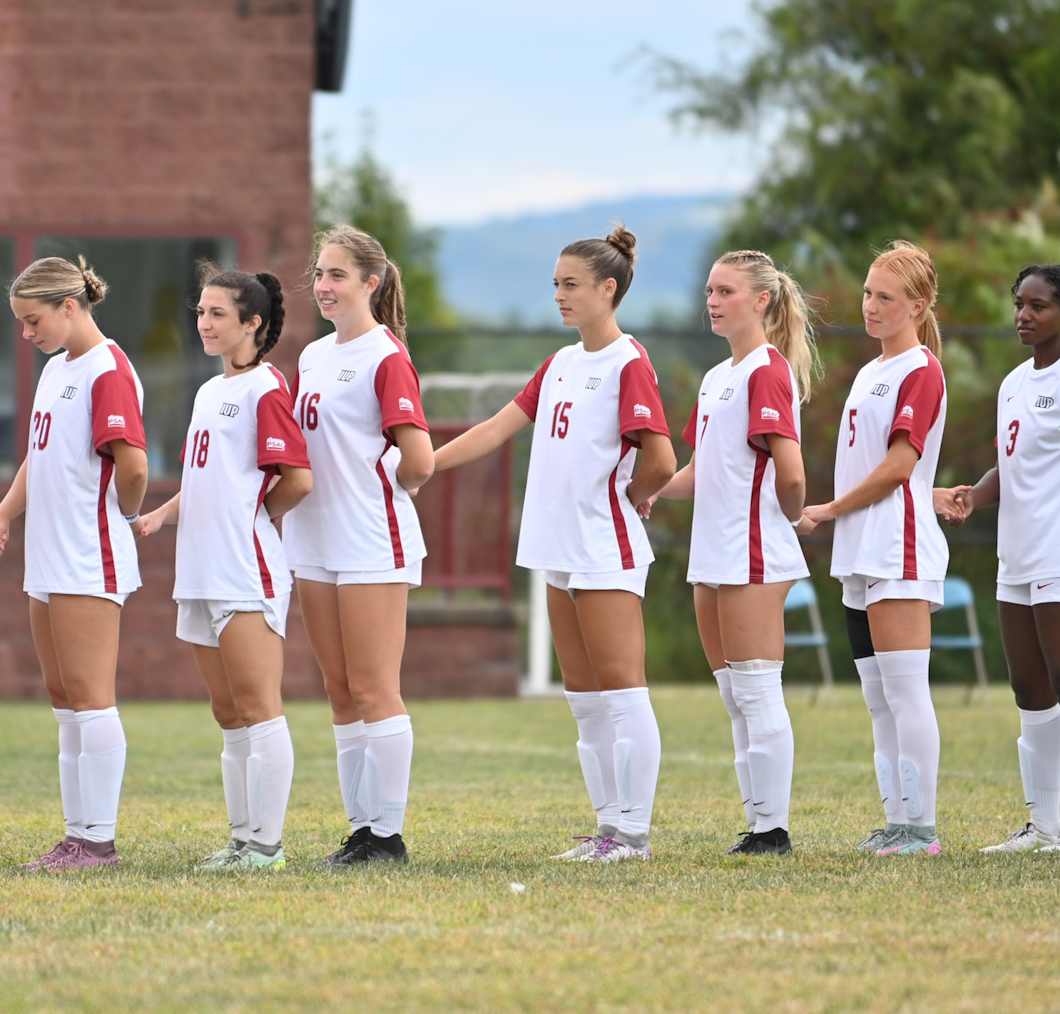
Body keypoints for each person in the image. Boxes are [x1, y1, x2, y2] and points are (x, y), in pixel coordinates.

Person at [431, 226, 676, 863]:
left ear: (608, 289)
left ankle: (634, 835)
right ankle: (606, 829)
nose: (560, 296)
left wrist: (632, 496)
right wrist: (425, 464)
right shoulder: (561, 364)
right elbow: (496, 427)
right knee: (584, 696)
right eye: (555, 285)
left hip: (604, 546)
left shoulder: (629, 362)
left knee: (622, 690)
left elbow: (661, 458)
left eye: (571, 285)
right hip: (558, 549)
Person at [940, 264, 1060, 855]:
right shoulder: (1014, 382)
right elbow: (1013, 463)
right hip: (1017, 555)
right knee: (1030, 690)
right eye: (1019, 303)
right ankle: (1043, 828)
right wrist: (976, 493)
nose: (1024, 315)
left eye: (1039, 305)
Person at [0, 256, 147, 871]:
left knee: (92, 696)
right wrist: (2, 515)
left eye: (33, 320)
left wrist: (116, 515)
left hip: (87, 555)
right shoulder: (57, 370)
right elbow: (38, 458)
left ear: (69, 307)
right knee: (63, 696)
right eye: (20, 323)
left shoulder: (108, 370)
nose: (28, 334)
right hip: (48, 557)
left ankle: (98, 842)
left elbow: (133, 467)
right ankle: (77, 836)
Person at [136, 265, 311, 870]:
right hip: (201, 569)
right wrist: (162, 515)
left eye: (217, 314)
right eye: (201, 312)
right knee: (227, 712)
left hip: (245, 568)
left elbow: (297, 480)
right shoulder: (210, 391)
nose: (204, 323)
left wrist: (251, 519)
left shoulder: (268, 388)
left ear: (252, 323)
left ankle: (267, 845)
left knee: (260, 705)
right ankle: (241, 839)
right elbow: (208, 479)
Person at [651, 250, 818, 856]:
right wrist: (633, 485)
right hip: (713, 552)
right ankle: (756, 822)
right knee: (732, 694)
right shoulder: (717, 377)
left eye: (726, 292)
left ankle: (772, 830)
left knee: (755, 688)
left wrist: (791, 515)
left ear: (762, 300)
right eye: (709, 292)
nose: (713, 302)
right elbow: (697, 470)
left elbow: (790, 472)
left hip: (753, 551)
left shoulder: (766, 371)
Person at [285, 227, 435, 867]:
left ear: (371, 283)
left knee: (375, 688)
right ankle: (360, 829)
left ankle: (389, 835)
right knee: (340, 688)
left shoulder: (385, 354)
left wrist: (380, 490)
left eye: (338, 274)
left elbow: (420, 461)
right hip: (313, 537)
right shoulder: (313, 356)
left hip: (371, 537)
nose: (324, 286)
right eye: (320, 273)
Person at [797, 240, 949, 857]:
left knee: (906, 690)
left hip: (897, 546)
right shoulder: (868, 372)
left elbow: (899, 466)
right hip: (860, 549)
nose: (870, 306)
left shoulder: (922, 369)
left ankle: (922, 828)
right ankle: (896, 820)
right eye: (867, 293)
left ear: (917, 305)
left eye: (885, 297)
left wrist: (830, 510)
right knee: (877, 695)